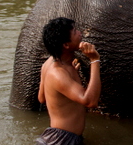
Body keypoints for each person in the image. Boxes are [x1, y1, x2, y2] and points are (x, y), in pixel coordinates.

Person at [36, 17, 101, 145]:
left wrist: (66, 84)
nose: (80, 33)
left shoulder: (48, 63)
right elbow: (90, 102)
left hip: (55, 137)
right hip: (63, 140)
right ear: (66, 45)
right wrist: (94, 60)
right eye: (75, 31)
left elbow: (42, 98)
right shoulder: (58, 73)